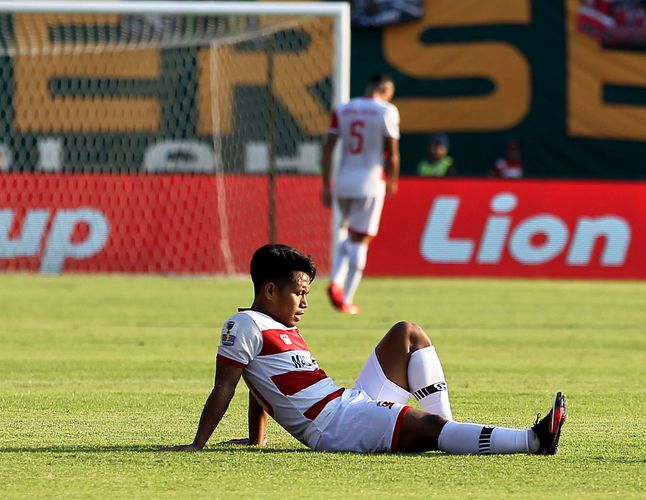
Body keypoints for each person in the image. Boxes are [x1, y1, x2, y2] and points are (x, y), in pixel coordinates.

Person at [160, 244, 568, 455]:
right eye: (298, 293)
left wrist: (257, 441)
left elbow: (260, 386)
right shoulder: (243, 324)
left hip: (345, 402)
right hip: (334, 426)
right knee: (428, 430)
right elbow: (226, 387)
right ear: (269, 290)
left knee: (407, 333)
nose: (305, 302)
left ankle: (446, 430)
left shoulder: (275, 326)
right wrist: (198, 443)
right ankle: (533, 441)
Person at [321, 73, 401, 315]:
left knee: (345, 233)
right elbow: (392, 152)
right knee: (361, 239)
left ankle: (335, 280)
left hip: (343, 180)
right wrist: (393, 180)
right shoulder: (386, 111)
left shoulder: (344, 109)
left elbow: (329, 147)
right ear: (385, 89)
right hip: (370, 180)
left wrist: (326, 183)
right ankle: (346, 298)